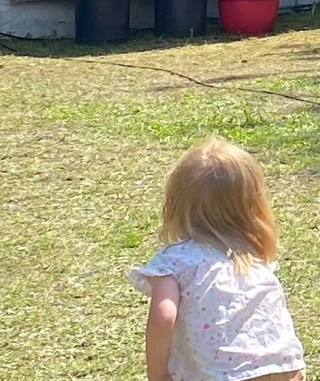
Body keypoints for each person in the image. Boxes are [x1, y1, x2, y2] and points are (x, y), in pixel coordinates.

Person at [129, 137, 305, 381]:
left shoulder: (176, 261)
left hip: (226, 375)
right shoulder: (251, 255)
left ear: (175, 204)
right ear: (252, 206)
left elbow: (163, 317)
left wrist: (157, 376)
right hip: (285, 367)